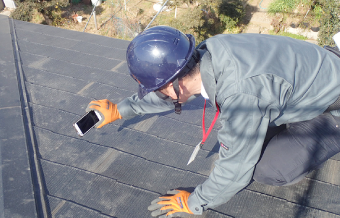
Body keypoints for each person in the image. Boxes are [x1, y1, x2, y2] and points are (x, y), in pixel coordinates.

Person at [86, 26, 340, 217]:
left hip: (333, 105)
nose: (158, 94)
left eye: (158, 89)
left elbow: (235, 168)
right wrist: (121, 110)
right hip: (314, 75)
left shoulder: (240, 92)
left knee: (266, 169)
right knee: (252, 132)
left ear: (174, 84)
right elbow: (171, 94)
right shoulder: (207, 53)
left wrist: (195, 202)